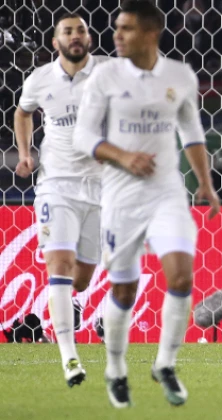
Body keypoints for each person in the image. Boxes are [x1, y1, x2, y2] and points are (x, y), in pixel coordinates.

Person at [73, 0, 220, 408]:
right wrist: (123, 156)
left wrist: (205, 183)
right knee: (124, 289)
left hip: (167, 192)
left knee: (181, 277)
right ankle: (115, 369)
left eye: (127, 28)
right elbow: (83, 136)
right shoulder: (105, 76)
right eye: (116, 27)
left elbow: (191, 132)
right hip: (121, 196)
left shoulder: (179, 76)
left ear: (151, 33)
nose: (116, 35)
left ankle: (165, 364)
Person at [14, 12, 109, 388]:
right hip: (55, 186)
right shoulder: (40, 79)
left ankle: (73, 301)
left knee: (81, 279)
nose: (75, 35)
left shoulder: (107, 72)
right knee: (59, 264)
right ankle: (70, 359)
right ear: (56, 42)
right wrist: (25, 153)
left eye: (80, 30)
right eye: (67, 31)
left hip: (99, 188)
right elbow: (22, 113)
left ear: (89, 38)